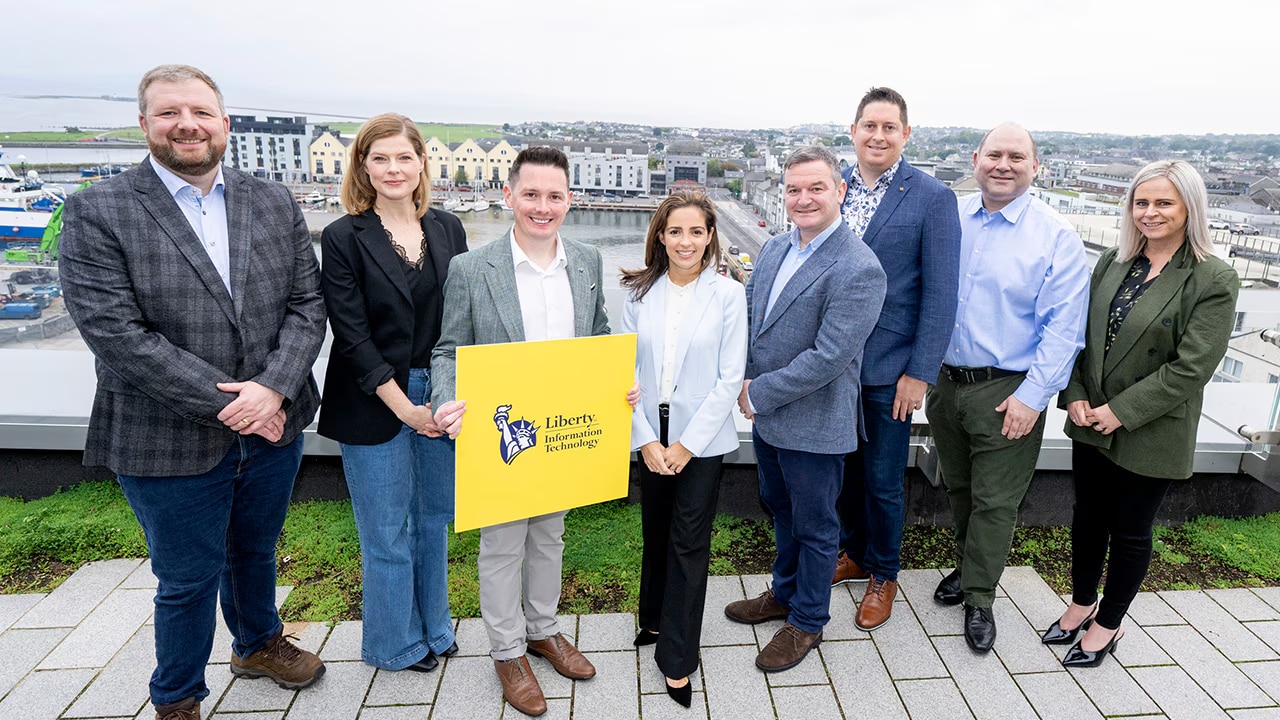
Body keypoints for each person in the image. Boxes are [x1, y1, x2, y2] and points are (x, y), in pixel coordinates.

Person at [58, 64, 327, 720]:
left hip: (274, 427)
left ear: (224, 124)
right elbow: (118, 336)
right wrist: (241, 405)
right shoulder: (97, 210)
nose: (187, 124)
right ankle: (176, 695)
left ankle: (257, 644)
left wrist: (275, 390)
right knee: (184, 579)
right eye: (170, 112)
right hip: (163, 434)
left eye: (201, 112)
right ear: (145, 124)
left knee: (255, 549)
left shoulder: (272, 200)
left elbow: (306, 304)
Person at [430, 146, 636, 717]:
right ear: (509, 196)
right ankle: (506, 652)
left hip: (566, 432)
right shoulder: (472, 269)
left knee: (550, 535)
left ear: (569, 200)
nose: (542, 207)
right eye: (531, 195)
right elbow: (448, 350)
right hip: (504, 437)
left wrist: (619, 385)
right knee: (501, 545)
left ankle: (543, 630)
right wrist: (448, 403)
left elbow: (597, 337)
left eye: (554, 196)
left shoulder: (588, 262)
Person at [1044, 160, 1238, 667]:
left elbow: (1192, 367)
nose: (1149, 212)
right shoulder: (1112, 260)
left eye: (1163, 203)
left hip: (1151, 425)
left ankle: (1108, 624)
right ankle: (1082, 601)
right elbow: (1082, 337)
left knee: (1130, 530)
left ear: (1189, 208)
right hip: (1091, 419)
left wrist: (1122, 412)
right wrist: (1077, 393)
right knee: (1086, 519)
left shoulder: (1212, 277)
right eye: (1141, 202)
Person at [926, 123, 1089, 654]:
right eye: (994, 154)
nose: (1003, 164)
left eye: (1017, 156)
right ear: (975, 159)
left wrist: (1032, 398)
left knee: (996, 501)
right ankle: (970, 566)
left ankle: (980, 598)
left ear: (1035, 167)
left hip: (1007, 390)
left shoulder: (1056, 236)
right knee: (960, 489)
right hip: (946, 383)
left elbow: (1064, 330)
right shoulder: (948, 216)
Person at [723, 146, 887, 673]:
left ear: (840, 191)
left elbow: (829, 357)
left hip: (815, 422)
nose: (804, 198)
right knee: (780, 509)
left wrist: (757, 392)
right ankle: (785, 593)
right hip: (769, 417)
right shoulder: (773, 249)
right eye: (794, 189)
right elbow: (752, 320)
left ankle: (808, 622)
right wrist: (741, 382)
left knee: (817, 526)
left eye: (816, 187)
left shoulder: (860, 267)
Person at [317, 114, 468, 674]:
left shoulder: (449, 228)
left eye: (403, 157)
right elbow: (351, 334)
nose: (392, 168)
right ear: (362, 166)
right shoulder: (342, 237)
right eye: (378, 158)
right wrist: (406, 406)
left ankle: (435, 626)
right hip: (374, 397)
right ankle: (393, 643)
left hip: (443, 392)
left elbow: (461, 317)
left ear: (422, 162)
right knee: (386, 531)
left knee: (433, 520)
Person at [832, 87, 960, 630]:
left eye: (890, 127)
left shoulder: (932, 197)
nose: (878, 136)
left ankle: (885, 571)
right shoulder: (829, 186)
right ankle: (854, 553)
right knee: (842, 471)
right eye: (869, 126)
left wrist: (920, 373)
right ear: (854, 130)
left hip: (891, 368)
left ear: (906, 134)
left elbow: (940, 293)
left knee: (884, 479)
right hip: (832, 363)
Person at [620, 191, 747, 706]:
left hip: (702, 437)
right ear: (660, 235)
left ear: (710, 236)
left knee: (688, 543)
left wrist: (687, 447)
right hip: (651, 429)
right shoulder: (636, 292)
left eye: (696, 232)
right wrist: (647, 438)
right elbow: (622, 372)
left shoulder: (728, 295)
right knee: (656, 531)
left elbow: (729, 378)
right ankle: (652, 617)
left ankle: (677, 658)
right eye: (675, 231)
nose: (686, 241)